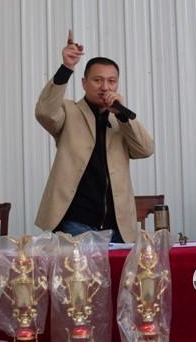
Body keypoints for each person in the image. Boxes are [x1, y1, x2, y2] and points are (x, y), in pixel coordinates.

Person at [34, 30, 154, 243]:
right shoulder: (69, 111)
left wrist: (123, 115)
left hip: (118, 225)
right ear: (84, 82)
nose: (105, 87)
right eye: (97, 80)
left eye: (111, 81)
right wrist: (66, 68)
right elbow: (45, 112)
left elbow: (145, 149)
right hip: (75, 221)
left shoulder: (121, 120)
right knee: (77, 267)